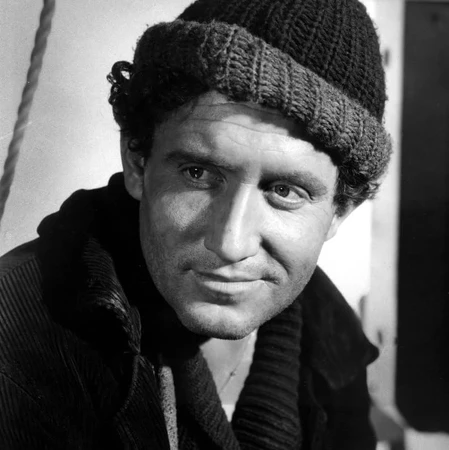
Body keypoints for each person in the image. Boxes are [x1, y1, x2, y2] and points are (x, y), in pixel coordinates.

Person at [0, 0, 392, 448]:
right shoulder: (17, 342)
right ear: (137, 162)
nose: (231, 242)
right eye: (198, 174)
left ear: (339, 212)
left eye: (284, 191)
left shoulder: (338, 348)